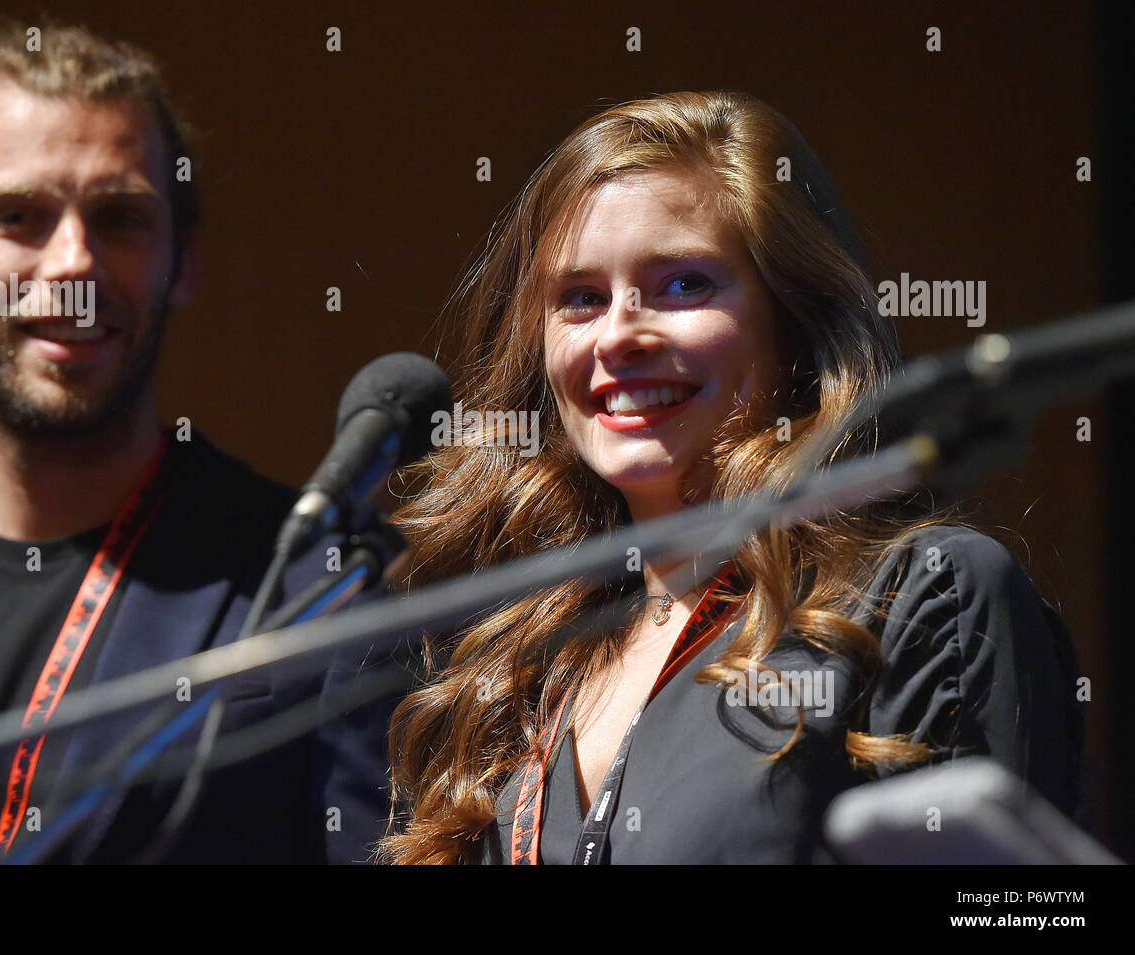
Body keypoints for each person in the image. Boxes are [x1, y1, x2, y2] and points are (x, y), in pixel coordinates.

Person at [379, 91, 1085, 864]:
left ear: (796, 318)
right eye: (580, 298)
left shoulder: (920, 598)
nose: (619, 335)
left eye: (684, 284)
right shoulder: (517, 670)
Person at [0, 21, 390, 864]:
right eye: (18, 215)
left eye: (119, 217)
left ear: (183, 260)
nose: (72, 262)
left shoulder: (320, 598)